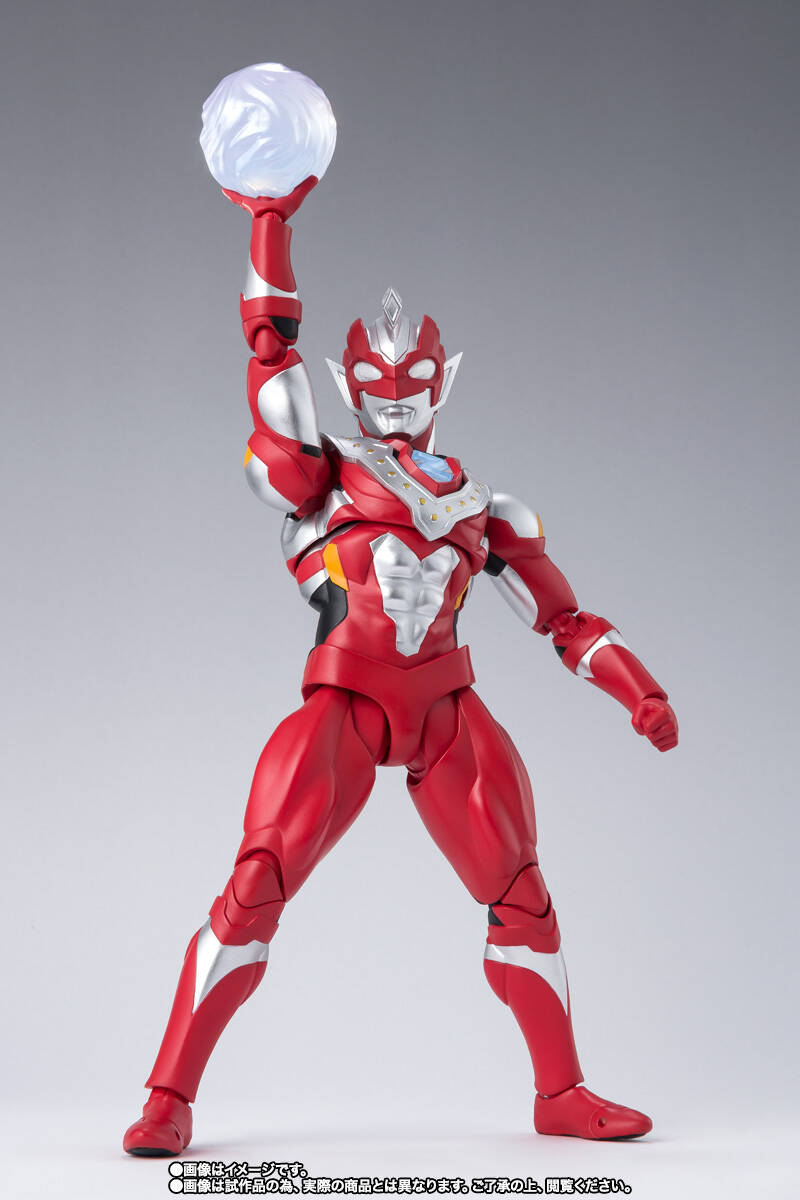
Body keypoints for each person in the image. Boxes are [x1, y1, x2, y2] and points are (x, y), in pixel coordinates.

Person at [123, 180, 678, 1156]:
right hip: (345, 702)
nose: (395, 394)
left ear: (442, 381)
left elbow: (564, 618)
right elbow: (268, 363)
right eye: (375, 381)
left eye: (413, 379)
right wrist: (268, 224)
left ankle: (560, 1094)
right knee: (255, 885)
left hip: (446, 711)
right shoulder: (323, 475)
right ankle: (168, 1097)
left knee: (521, 895)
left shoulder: (485, 506)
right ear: (347, 383)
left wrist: (640, 692)